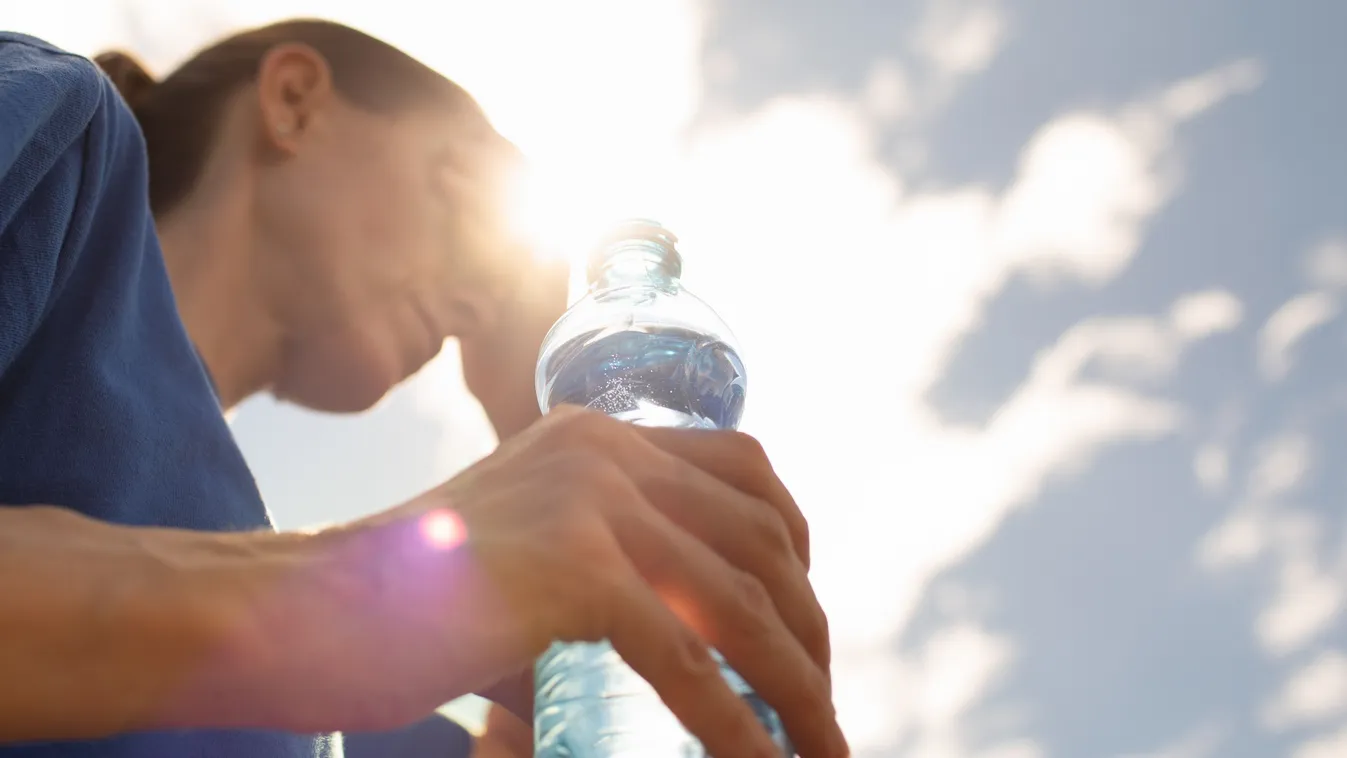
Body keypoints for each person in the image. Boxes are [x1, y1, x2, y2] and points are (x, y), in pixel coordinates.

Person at [0, 18, 847, 758]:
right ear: (294, 100)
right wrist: (334, 591)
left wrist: (538, 411)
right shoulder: (62, 133)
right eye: (462, 187)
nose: (483, 293)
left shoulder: (340, 702)